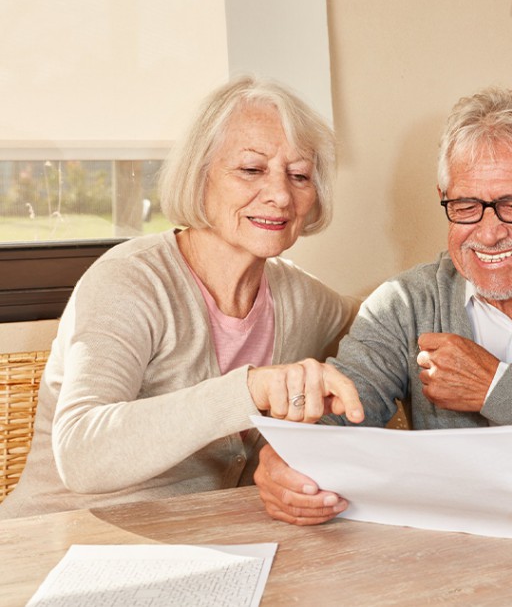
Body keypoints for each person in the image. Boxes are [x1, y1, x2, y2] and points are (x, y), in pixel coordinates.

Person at [255, 86, 512, 525]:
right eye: (466, 205)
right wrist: (287, 461)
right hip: (459, 552)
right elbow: (340, 418)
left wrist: (494, 388)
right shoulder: (405, 303)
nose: (489, 233)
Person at [0, 76, 364, 519]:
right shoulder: (130, 280)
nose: (280, 194)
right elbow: (81, 452)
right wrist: (248, 390)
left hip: (204, 545)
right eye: (251, 169)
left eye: (299, 175)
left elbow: (383, 325)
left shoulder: (301, 298)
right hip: (60, 543)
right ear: (199, 174)